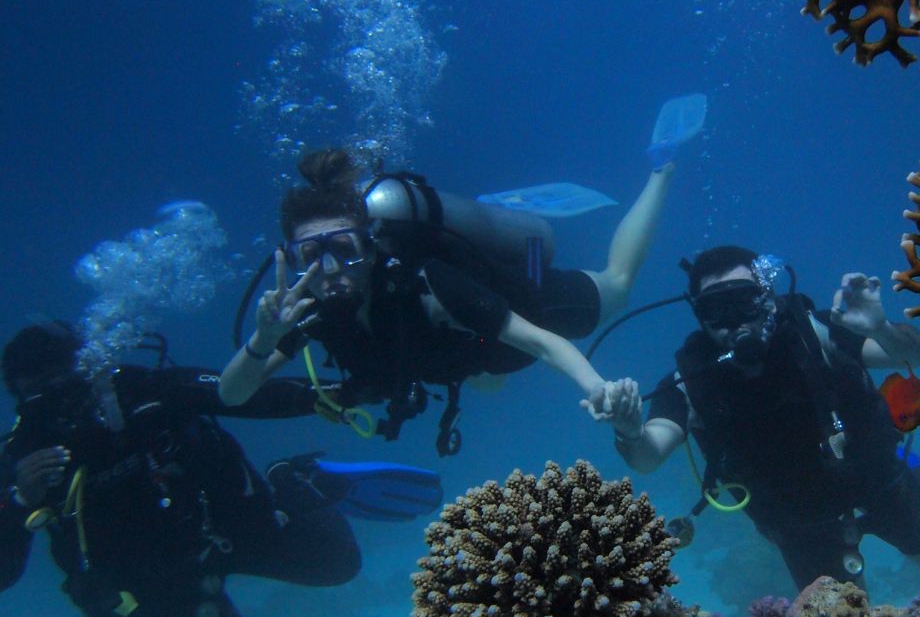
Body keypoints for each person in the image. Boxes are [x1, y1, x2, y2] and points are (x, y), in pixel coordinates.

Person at [0, 323, 376, 617]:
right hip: (153, 588)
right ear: (18, 396)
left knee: (339, 562)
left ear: (86, 369)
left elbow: (237, 393)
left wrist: (336, 394)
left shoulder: (141, 391)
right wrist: (20, 502)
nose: (57, 399)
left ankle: (293, 479)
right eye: (37, 391)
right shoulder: (18, 459)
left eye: (62, 379)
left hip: (226, 531)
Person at [218, 148, 670, 447]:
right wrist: (263, 340)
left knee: (618, 285)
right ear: (291, 260)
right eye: (311, 255)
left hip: (520, 304)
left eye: (345, 249)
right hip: (473, 355)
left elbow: (541, 343)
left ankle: (660, 169)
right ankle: (510, 229)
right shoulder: (303, 314)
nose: (330, 271)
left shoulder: (431, 284)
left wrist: (597, 388)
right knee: (489, 382)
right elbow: (232, 394)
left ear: (371, 247)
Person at [607, 246, 920, 591]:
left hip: (882, 482)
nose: (733, 321)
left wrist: (880, 329)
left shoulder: (814, 332)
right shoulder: (690, 381)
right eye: (715, 310)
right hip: (802, 525)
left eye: (745, 302)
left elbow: (917, 356)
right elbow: (648, 455)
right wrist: (629, 430)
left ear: (767, 298)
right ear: (698, 315)